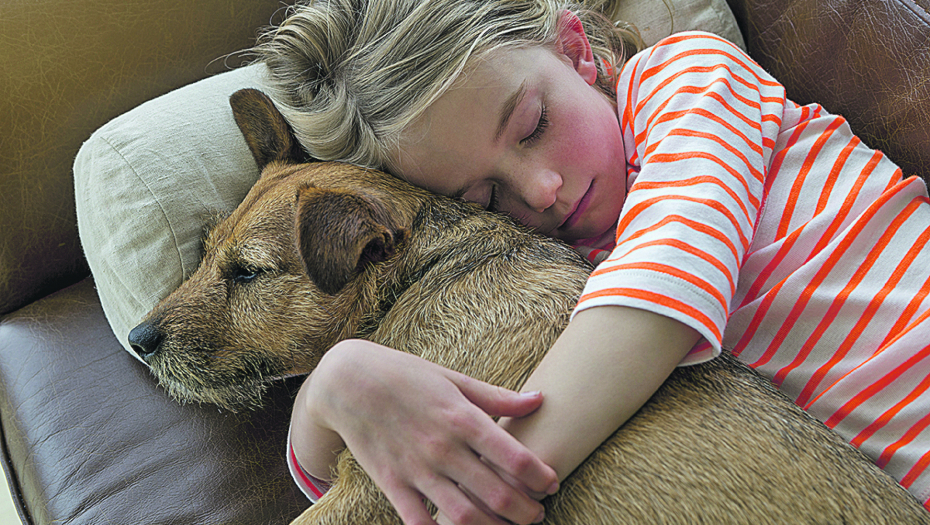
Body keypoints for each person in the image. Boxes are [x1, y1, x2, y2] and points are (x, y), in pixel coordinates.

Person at [255, 0, 930, 523]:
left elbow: (661, 292)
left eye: (532, 126)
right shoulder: (534, 270)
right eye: (485, 195)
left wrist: (477, 485)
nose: (542, 190)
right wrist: (333, 391)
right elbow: (355, 471)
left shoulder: (687, 79)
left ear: (575, 50)